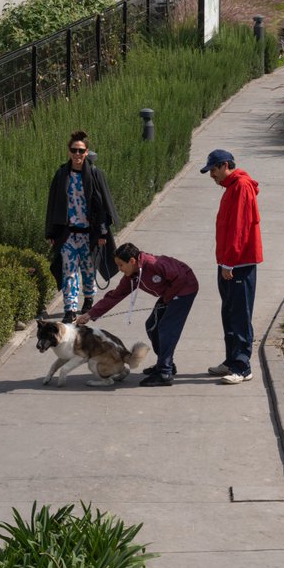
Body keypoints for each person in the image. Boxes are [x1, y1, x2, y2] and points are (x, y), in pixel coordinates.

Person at [78, 242, 199, 387]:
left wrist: (167, 299)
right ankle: (166, 363)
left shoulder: (153, 264)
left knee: (166, 329)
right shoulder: (132, 275)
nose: (119, 269)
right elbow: (115, 296)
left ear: (132, 261)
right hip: (170, 293)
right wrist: (91, 314)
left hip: (184, 289)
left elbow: (180, 278)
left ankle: (164, 372)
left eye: (121, 265)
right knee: (152, 326)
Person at [199, 148, 262, 385]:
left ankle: (242, 366)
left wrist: (230, 262)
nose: (211, 175)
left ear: (225, 165)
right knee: (229, 313)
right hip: (228, 263)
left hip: (238, 265)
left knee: (240, 315)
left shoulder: (241, 187)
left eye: (213, 170)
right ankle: (231, 360)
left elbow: (240, 228)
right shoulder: (230, 188)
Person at [45, 131, 119, 324]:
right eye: (74, 150)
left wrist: (102, 232)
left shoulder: (95, 174)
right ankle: (69, 308)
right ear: (69, 152)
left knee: (88, 269)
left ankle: (88, 299)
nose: (77, 154)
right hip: (68, 234)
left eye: (81, 150)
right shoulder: (62, 174)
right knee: (68, 271)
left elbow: (103, 205)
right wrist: (52, 231)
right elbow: (53, 204)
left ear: (86, 152)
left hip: (89, 234)